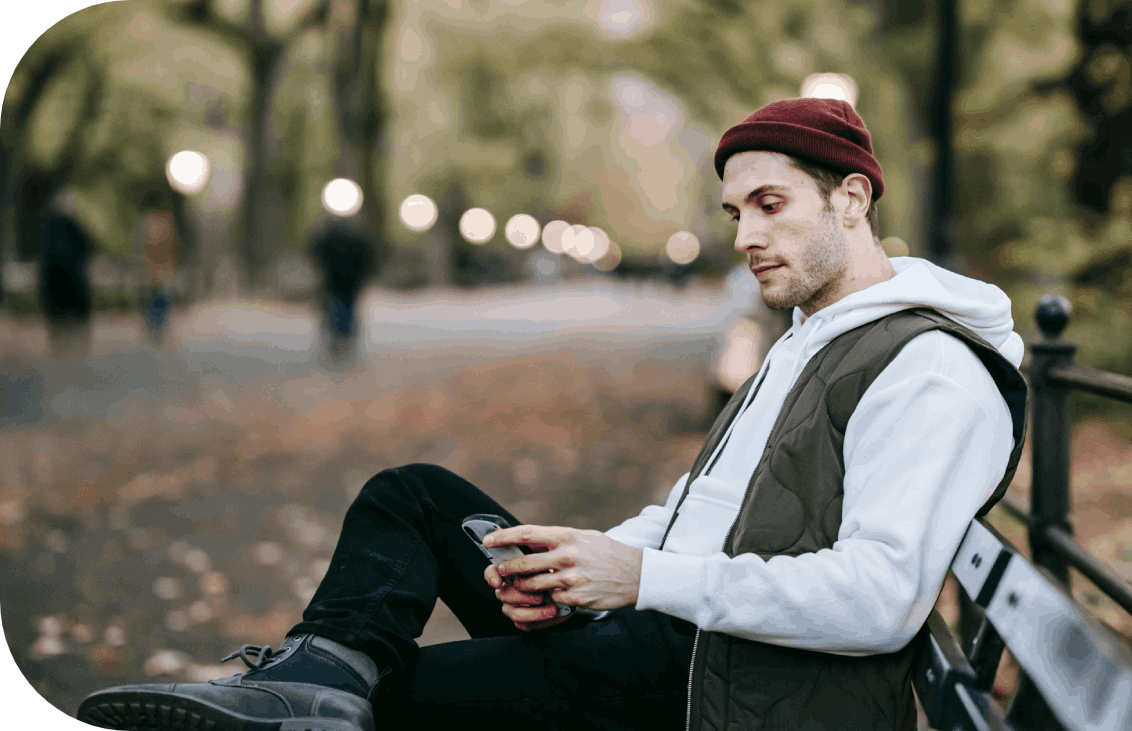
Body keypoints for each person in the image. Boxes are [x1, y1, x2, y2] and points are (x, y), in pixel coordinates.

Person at [76, 98, 1027, 731]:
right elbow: (702, 510)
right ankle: (320, 682)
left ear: (851, 199)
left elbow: (876, 599)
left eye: (770, 205)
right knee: (410, 496)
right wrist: (584, 561)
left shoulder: (929, 369)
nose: (745, 236)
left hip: (720, 688)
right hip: (671, 632)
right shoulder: (810, 336)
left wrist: (642, 577)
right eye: (736, 211)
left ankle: (323, 702)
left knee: (405, 698)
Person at [310, 213, 376, 365]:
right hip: (342, 282)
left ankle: (341, 339)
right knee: (341, 309)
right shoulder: (354, 238)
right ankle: (341, 339)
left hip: (341, 282)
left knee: (341, 309)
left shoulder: (337, 238)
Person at [39, 189, 94, 359]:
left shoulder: (49, 227)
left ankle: (61, 352)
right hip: (73, 281)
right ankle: (77, 354)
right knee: (78, 321)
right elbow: (86, 249)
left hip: (53, 282)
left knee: (58, 321)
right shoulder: (74, 227)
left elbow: (44, 255)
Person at [135, 190, 179, 346]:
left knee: (155, 300)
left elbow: (141, 245)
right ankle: (156, 329)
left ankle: (155, 329)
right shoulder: (166, 222)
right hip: (161, 269)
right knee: (157, 300)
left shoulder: (149, 222)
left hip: (154, 269)